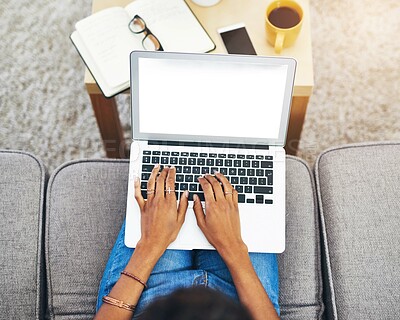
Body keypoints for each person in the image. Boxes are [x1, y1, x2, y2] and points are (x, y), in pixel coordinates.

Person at [94, 165, 280, 320]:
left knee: (162, 184)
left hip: (151, 309)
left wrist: (149, 246)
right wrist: (234, 249)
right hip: (238, 309)